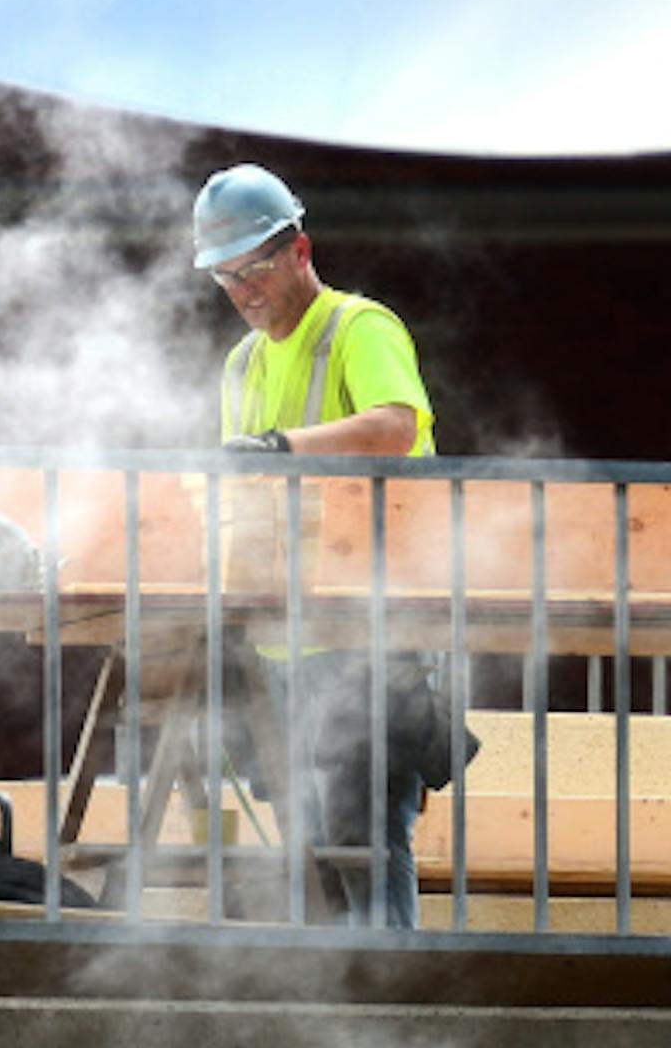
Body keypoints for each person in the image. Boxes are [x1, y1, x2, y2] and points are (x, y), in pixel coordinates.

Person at [193, 161, 468, 928]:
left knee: (364, 830)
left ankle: (389, 999)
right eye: (225, 277)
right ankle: (349, 1004)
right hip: (286, 644)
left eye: (254, 270)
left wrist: (282, 447)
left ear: (300, 252)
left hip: (374, 632)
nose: (243, 292)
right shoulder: (242, 363)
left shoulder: (358, 328)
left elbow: (396, 425)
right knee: (312, 840)